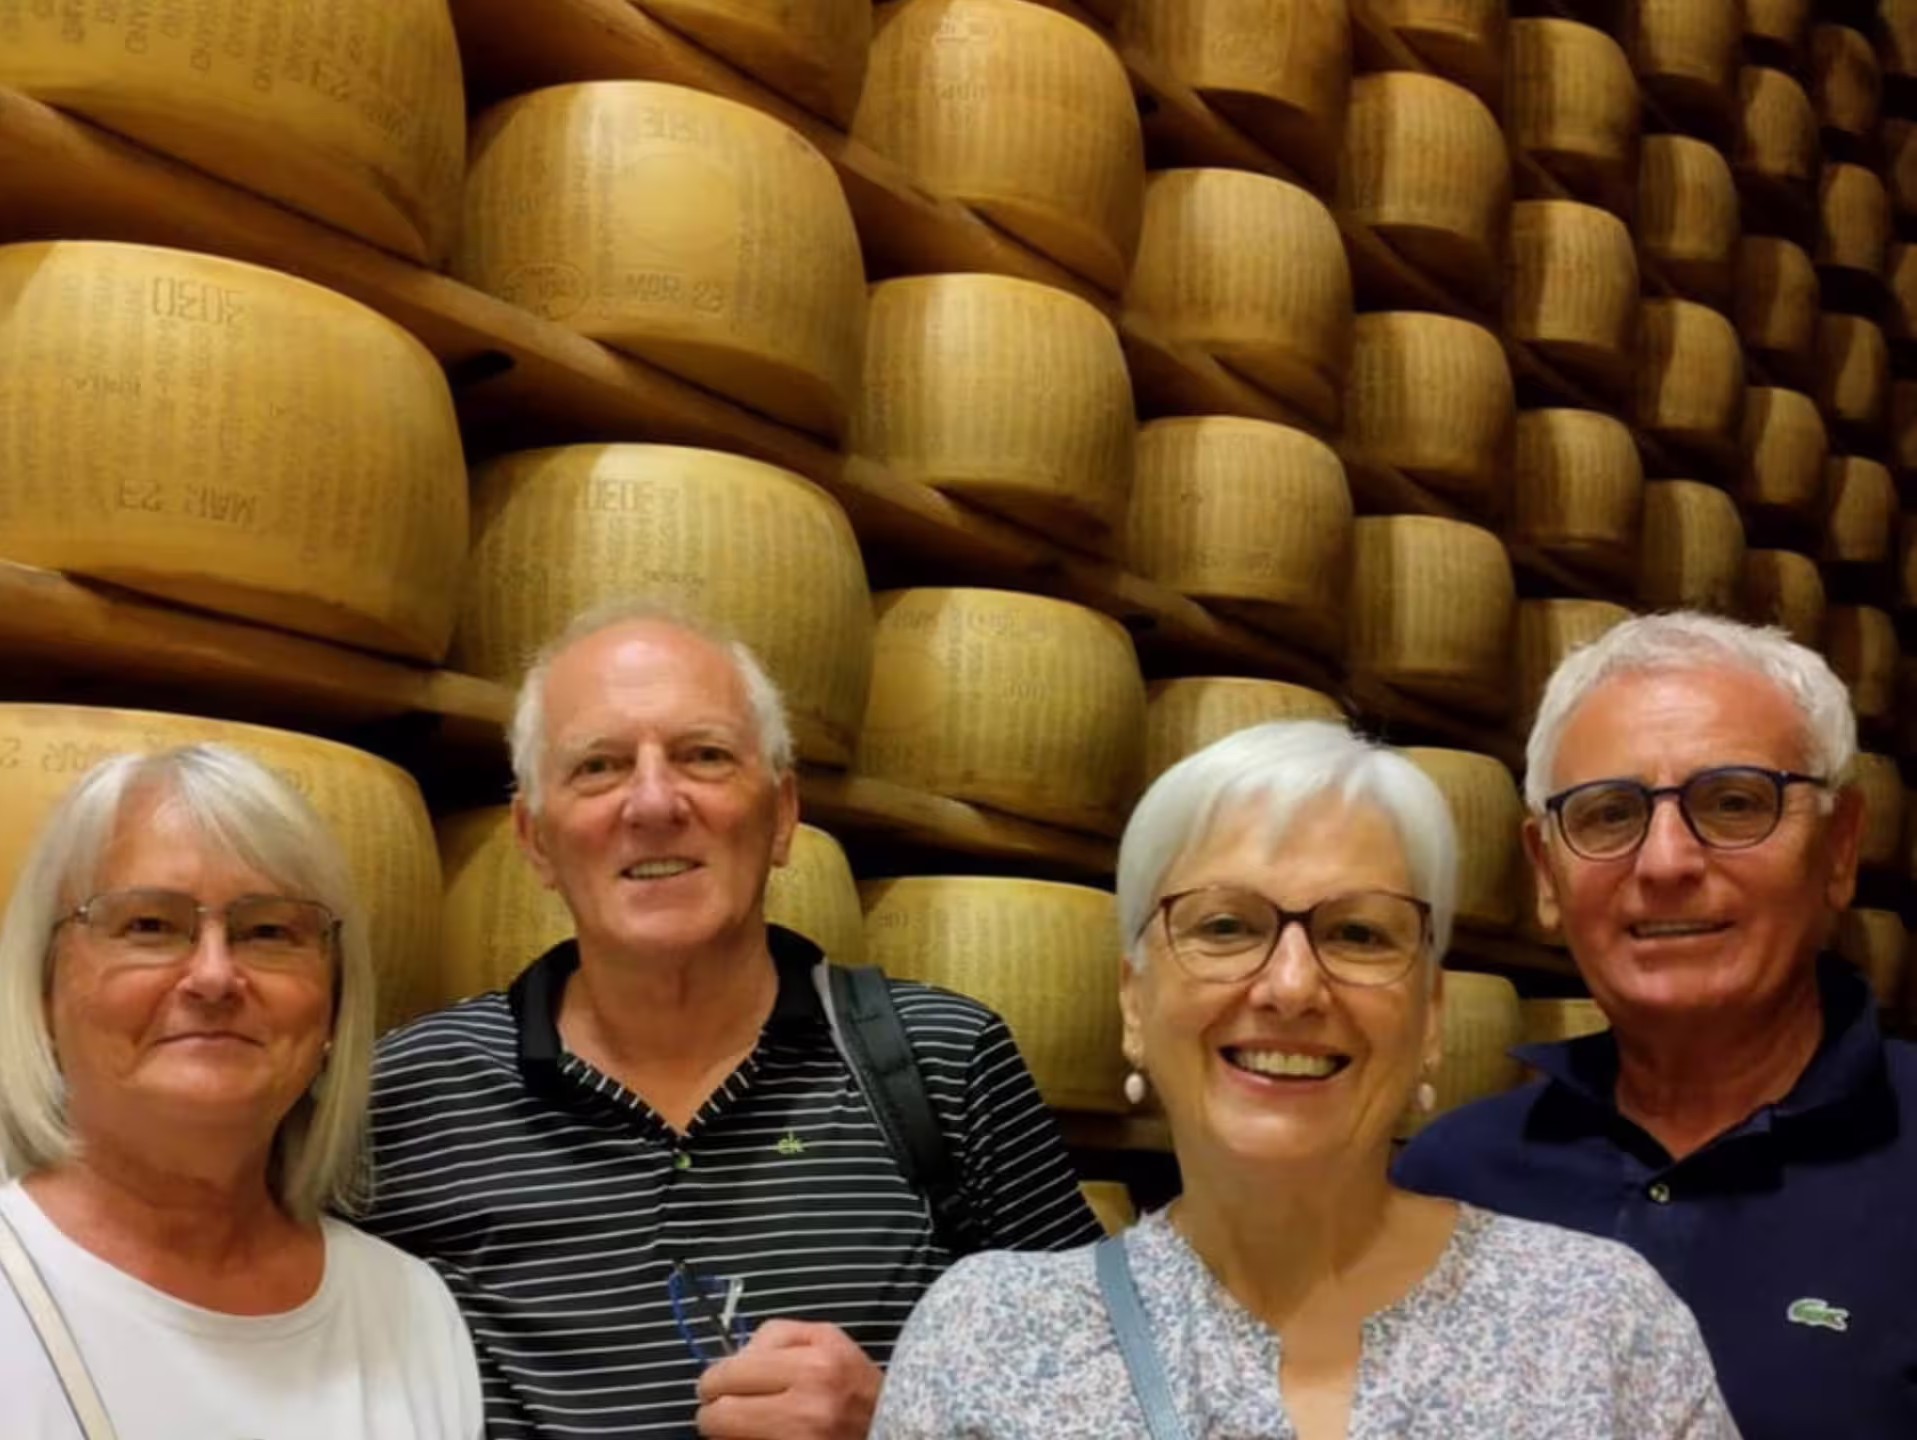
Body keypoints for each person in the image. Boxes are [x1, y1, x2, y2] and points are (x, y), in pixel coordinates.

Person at [871, 720, 1735, 1439]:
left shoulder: (1600, 1327)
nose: (1290, 987)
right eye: (1224, 925)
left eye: (1359, 935)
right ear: (1135, 1002)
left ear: (1430, 1015)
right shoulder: (987, 1340)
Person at [364, 601, 1102, 1439]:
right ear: (534, 839)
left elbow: (1113, 1396)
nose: (652, 802)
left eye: (704, 756)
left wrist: (902, 1417)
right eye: (598, 767)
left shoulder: (941, 1063)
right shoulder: (414, 1095)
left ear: (782, 814)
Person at [1396, 611, 1917, 1439]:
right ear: (1544, 873)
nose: (1666, 862)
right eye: (1608, 815)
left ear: (1841, 848)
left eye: (1735, 802)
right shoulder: (1449, 1185)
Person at [0, 744, 482, 1439]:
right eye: (150, 925)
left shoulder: (409, 1311)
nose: (215, 977)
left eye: (268, 931)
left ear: (333, 1007)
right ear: (44, 989)